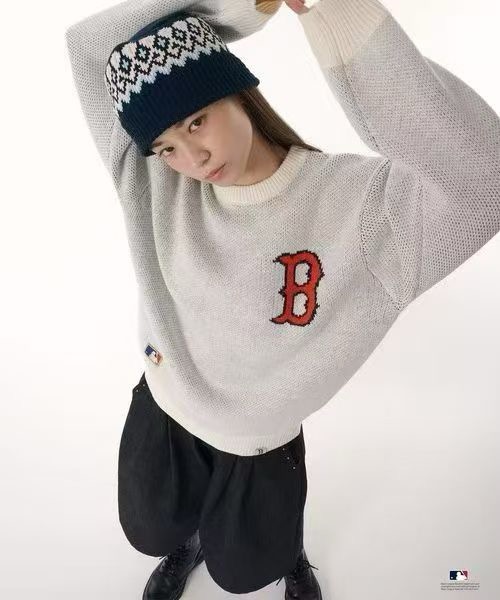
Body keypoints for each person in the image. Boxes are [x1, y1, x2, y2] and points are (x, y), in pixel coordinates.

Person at [64, 0, 500, 598]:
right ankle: (191, 539)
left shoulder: (361, 212)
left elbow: (484, 178)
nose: (191, 159)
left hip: (260, 437)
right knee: (149, 529)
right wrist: (239, 6)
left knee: (246, 572)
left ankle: (288, 549)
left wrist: (333, 14)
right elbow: (89, 46)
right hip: (166, 402)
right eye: (165, 146)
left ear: (236, 90)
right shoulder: (149, 179)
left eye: (197, 121)